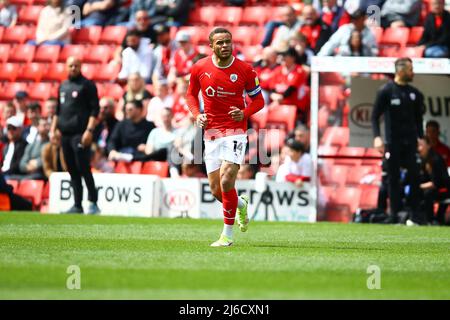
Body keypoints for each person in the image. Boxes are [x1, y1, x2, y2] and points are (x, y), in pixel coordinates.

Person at [186, 27, 265, 247]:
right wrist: (196, 114)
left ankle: (227, 236)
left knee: (227, 179)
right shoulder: (200, 67)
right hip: (211, 132)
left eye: (227, 42)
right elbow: (191, 95)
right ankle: (240, 204)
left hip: (235, 131)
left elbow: (259, 101)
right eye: (219, 42)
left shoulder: (245, 70)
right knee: (216, 190)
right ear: (211, 45)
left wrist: (244, 113)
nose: (224, 46)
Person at [371, 57, 426, 226]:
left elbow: (418, 119)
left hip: (410, 142)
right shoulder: (386, 91)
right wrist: (377, 137)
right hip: (392, 142)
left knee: (414, 177)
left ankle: (414, 214)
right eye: (410, 69)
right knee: (393, 178)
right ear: (400, 71)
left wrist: (421, 139)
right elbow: (374, 116)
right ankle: (395, 214)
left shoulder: (415, 93)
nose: (413, 72)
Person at [50, 56, 100, 214]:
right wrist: (53, 129)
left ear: (81, 67)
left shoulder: (87, 85)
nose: (73, 68)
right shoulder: (63, 86)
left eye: (76, 65)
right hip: (65, 134)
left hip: (80, 133)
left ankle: (93, 202)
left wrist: (89, 131)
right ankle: (77, 205)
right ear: (66, 67)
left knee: (84, 167)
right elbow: (58, 111)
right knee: (72, 169)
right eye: (71, 65)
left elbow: (94, 110)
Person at [417, 137, 450, 225]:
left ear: (428, 146)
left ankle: (429, 220)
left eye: (421, 145)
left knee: (427, 193)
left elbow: (436, 183)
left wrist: (418, 186)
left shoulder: (435, 159)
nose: (418, 148)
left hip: (444, 189)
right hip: (434, 189)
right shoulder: (421, 159)